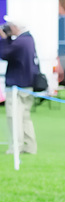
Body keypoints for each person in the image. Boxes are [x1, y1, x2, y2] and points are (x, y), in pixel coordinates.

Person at [0, 17, 38, 154]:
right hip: (27, 85)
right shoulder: (28, 40)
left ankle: (16, 146)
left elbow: (4, 53)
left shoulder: (20, 42)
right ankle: (30, 146)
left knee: (14, 117)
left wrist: (4, 38)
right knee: (25, 117)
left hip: (16, 86)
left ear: (16, 26)